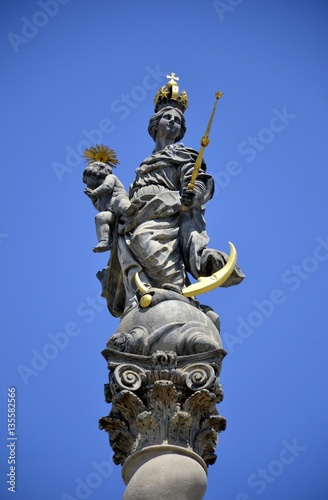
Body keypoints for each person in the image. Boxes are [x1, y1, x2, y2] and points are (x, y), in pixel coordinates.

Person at [104, 101, 244, 316]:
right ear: (155, 124)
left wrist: (193, 194)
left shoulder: (184, 154)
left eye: (177, 120)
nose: (172, 121)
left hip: (165, 211)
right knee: (133, 247)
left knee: (144, 240)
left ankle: (176, 294)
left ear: (181, 131)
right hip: (135, 214)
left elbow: (197, 181)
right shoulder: (145, 163)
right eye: (167, 117)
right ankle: (148, 296)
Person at [83, 160, 135, 252]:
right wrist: (94, 199)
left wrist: (94, 193)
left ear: (94, 175)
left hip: (118, 202)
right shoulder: (99, 196)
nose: (86, 184)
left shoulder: (111, 177)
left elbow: (107, 187)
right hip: (112, 213)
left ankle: (128, 209)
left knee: (120, 200)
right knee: (100, 217)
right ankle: (104, 241)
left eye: (86, 180)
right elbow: (100, 208)